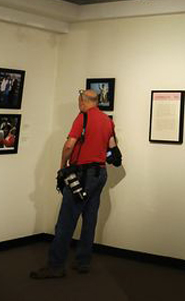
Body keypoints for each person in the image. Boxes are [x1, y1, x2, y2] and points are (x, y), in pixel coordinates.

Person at [31, 89, 116, 279]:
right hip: (100, 173)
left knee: (66, 221)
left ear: (84, 101)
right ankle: (83, 261)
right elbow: (113, 148)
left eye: (79, 101)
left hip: (83, 174)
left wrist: (62, 167)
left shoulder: (82, 117)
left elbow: (69, 144)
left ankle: (55, 266)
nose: (79, 104)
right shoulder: (107, 120)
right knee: (90, 219)